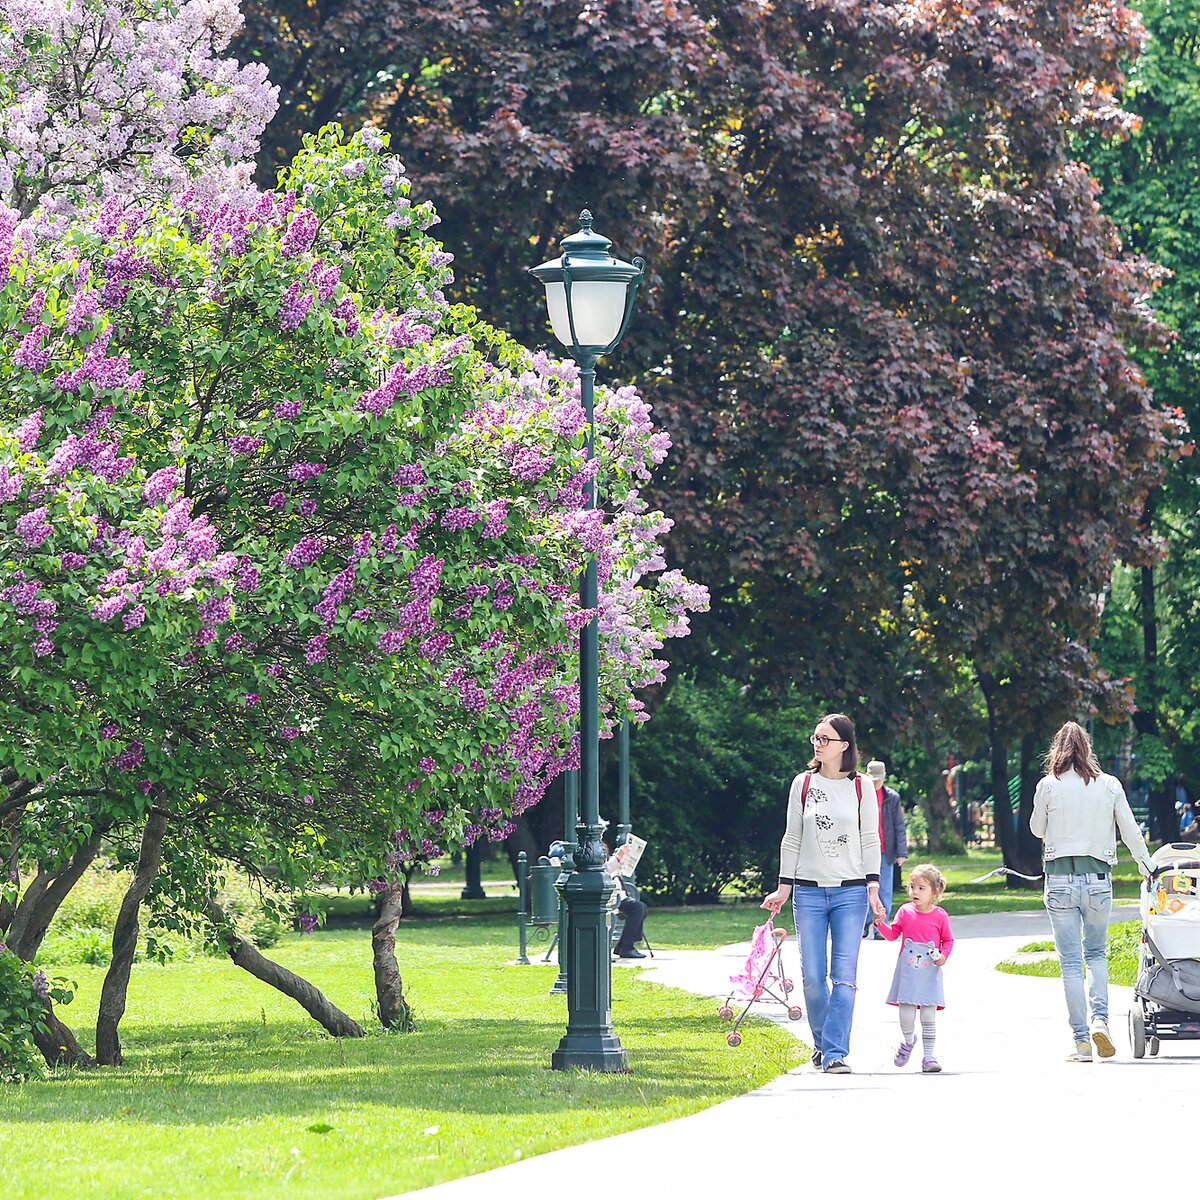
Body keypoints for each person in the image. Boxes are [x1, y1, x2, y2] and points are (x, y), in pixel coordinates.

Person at [761, 713, 884, 1074]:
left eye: (825, 739)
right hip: (809, 893)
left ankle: (834, 1053)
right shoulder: (802, 784)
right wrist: (783, 888)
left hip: (851, 893)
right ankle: (822, 1044)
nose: (817, 744)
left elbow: (870, 839)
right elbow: (792, 837)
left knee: (843, 976)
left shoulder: (861, 787)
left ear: (844, 746)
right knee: (813, 976)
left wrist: (874, 890)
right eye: (815, 738)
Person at [1030, 720, 1154, 1062]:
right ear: (1088, 749)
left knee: (1070, 962)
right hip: (1099, 881)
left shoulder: (1048, 785)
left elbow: (1037, 829)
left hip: (1059, 883)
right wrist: (1147, 867)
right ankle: (1101, 1020)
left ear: (1057, 749)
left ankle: (1082, 1042)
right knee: (1096, 954)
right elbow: (1130, 831)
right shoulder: (1110, 785)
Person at [873, 862, 954, 1073]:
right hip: (908, 974)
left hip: (930, 973)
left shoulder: (940, 916)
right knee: (906, 1015)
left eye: (921, 888)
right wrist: (880, 923)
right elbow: (893, 935)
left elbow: (948, 941)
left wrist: (943, 957)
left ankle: (929, 1057)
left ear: (934, 892)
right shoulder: (905, 912)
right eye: (912, 886)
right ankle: (908, 1042)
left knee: (928, 1015)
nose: (914, 892)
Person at [863, 759, 907, 938]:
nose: (876, 783)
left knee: (885, 889)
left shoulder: (892, 797)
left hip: (885, 850)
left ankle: (881, 926)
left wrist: (902, 852)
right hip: (865, 851)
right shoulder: (862, 795)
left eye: (879, 779)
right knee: (865, 889)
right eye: (873, 779)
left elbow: (899, 825)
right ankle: (865, 922)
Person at [605, 842, 649, 959]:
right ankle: (627, 947)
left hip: (619, 897)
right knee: (638, 908)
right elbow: (608, 869)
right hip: (612, 899)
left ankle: (623, 946)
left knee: (641, 907)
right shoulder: (602, 866)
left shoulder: (606, 864)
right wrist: (619, 856)